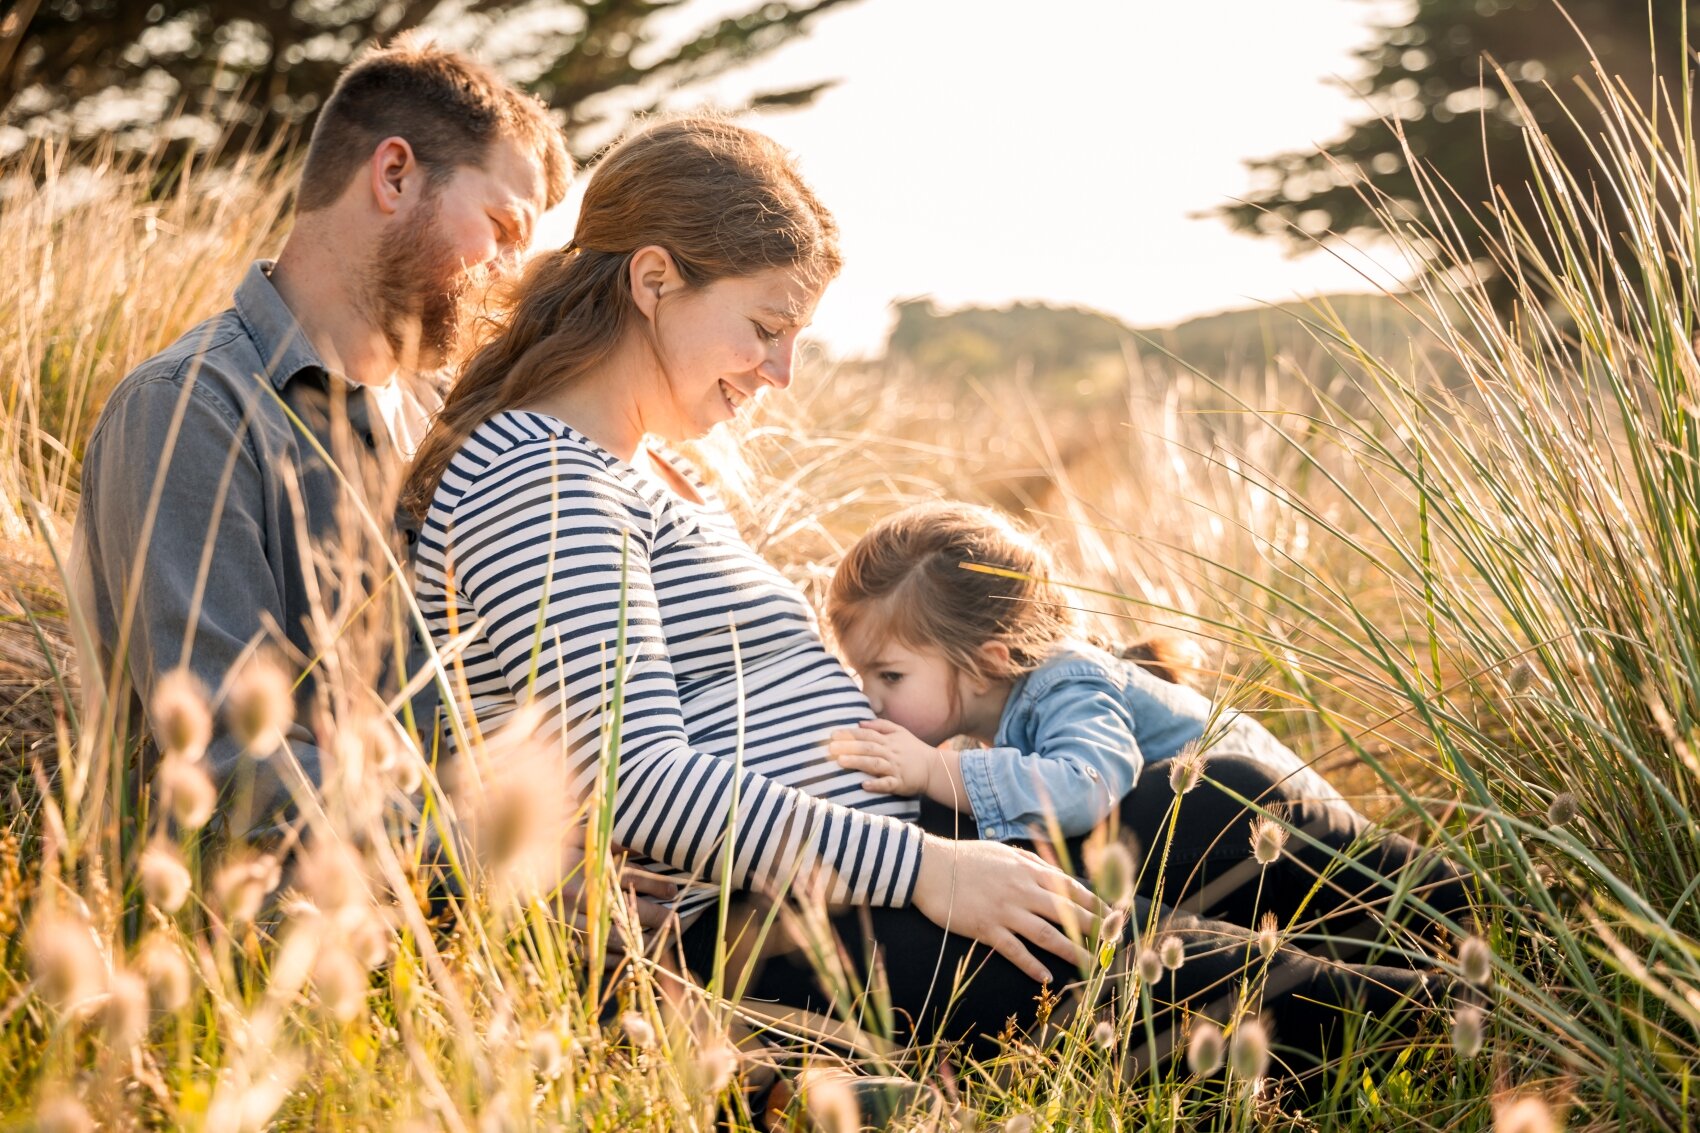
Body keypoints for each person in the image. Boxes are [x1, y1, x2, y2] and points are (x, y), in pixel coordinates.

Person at [402, 115, 1447, 1081]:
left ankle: (1518, 941)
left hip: (892, 849)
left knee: (1208, 792)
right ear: (655, 279)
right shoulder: (538, 477)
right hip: (799, 919)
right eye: (765, 325)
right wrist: (929, 868)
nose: (780, 371)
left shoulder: (633, 471)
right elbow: (637, 782)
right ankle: (1505, 1027)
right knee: (1267, 990)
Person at [75, 37, 570, 831]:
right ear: (395, 174)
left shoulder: (454, 424)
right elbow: (229, 761)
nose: (513, 275)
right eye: (503, 229)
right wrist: (498, 854)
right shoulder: (188, 410)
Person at [824, 500, 1472, 946]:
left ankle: (1486, 918)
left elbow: (1085, 786)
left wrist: (937, 770)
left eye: (889, 675)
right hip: (1241, 852)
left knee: (1417, 908)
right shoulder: (1006, 704)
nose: (871, 698)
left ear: (986, 660)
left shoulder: (1065, 680)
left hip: (1291, 828)